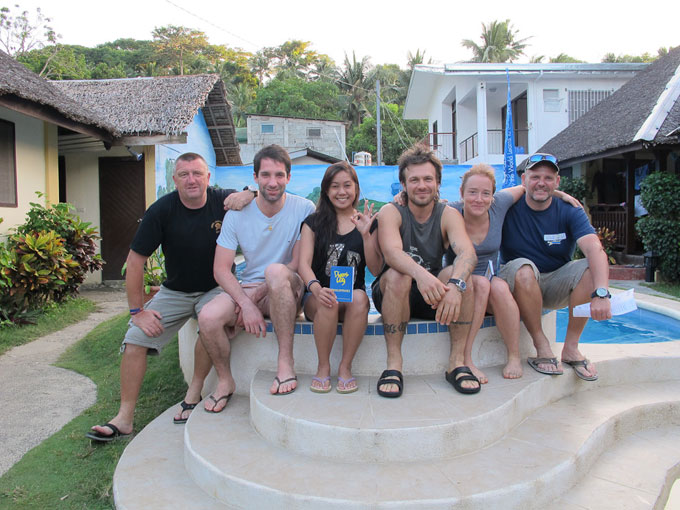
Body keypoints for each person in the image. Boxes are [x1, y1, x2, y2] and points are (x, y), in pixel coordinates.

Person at [87, 153, 255, 442]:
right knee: (135, 340)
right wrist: (137, 311)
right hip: (174, 291)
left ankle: (194, 390)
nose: (191, 179)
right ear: (175, 179)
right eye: (184, 174)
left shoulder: (221, 201)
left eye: (197, 173)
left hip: (215, 287)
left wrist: (248, 193)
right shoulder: (161, 211)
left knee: (209, 321)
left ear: (208, 177)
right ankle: (124, 417)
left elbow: (264, 193)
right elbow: (136, 261)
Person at [198, 144, 315, 410]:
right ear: (255, 178)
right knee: (208, 317)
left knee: (275, 271)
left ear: (288, 177)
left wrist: (252, 299)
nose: (272, 182)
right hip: (249, 286)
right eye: (265, 175)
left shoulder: (303, 208)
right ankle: (226, 381)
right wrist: (246, 303)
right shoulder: (236, 214)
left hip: (286, 286)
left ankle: (285, 362)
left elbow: (296, 263)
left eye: (279, 175)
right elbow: (221, 269)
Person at [446, 164, 582, 383]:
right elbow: (422, 208)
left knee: (497, 286)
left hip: (489, 286)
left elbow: (530, 187)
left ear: (493, 195)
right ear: (461, 193)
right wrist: (400, 200)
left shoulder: (499, 205)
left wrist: (557, 193)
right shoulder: (450, 212)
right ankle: (467, 359)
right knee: (481, 284)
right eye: (472, 192)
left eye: (485, 193)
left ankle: (514, 356)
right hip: (462, 286)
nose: (479, 199)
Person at [372, 145, 478, 397]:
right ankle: (394, 364)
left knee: (462, 276)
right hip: (393, 293)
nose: (421, 185)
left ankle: (456, 362)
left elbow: (467, 253)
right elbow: (392, 254)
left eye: (428, 179)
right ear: (403, 184)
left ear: (438, 182)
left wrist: (455, 286)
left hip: (432, 295)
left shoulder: (448, 214)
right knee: (400, 275)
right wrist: (421, 275)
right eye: (414, 179)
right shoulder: (391, 212)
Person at [499, 153, 611, 381]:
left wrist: (602, 293)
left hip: (555, 281)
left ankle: (571, 347)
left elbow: (594, 249)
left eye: (549, 178)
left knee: (589, 268)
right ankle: (541, 345)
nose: (542, 182)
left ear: (557, 182)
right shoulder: (509, 205)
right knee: (524, 269)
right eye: (535, 177)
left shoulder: (570, 209)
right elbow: (476, 203)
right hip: (518, 280)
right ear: (523, 180)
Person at [298, 162, 382, 394]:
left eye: (347, 185)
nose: (341, 192)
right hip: (319, 298)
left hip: (351, 301)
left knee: (360, 297)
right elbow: (303, 264)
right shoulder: (313, 223)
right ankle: (323, 367)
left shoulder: (367, 223)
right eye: (335, 186)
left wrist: (366, 235)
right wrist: (316, 289)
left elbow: (375, 270)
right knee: (329, 299)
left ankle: (345, 367)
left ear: (356, 188)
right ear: (326, 190)